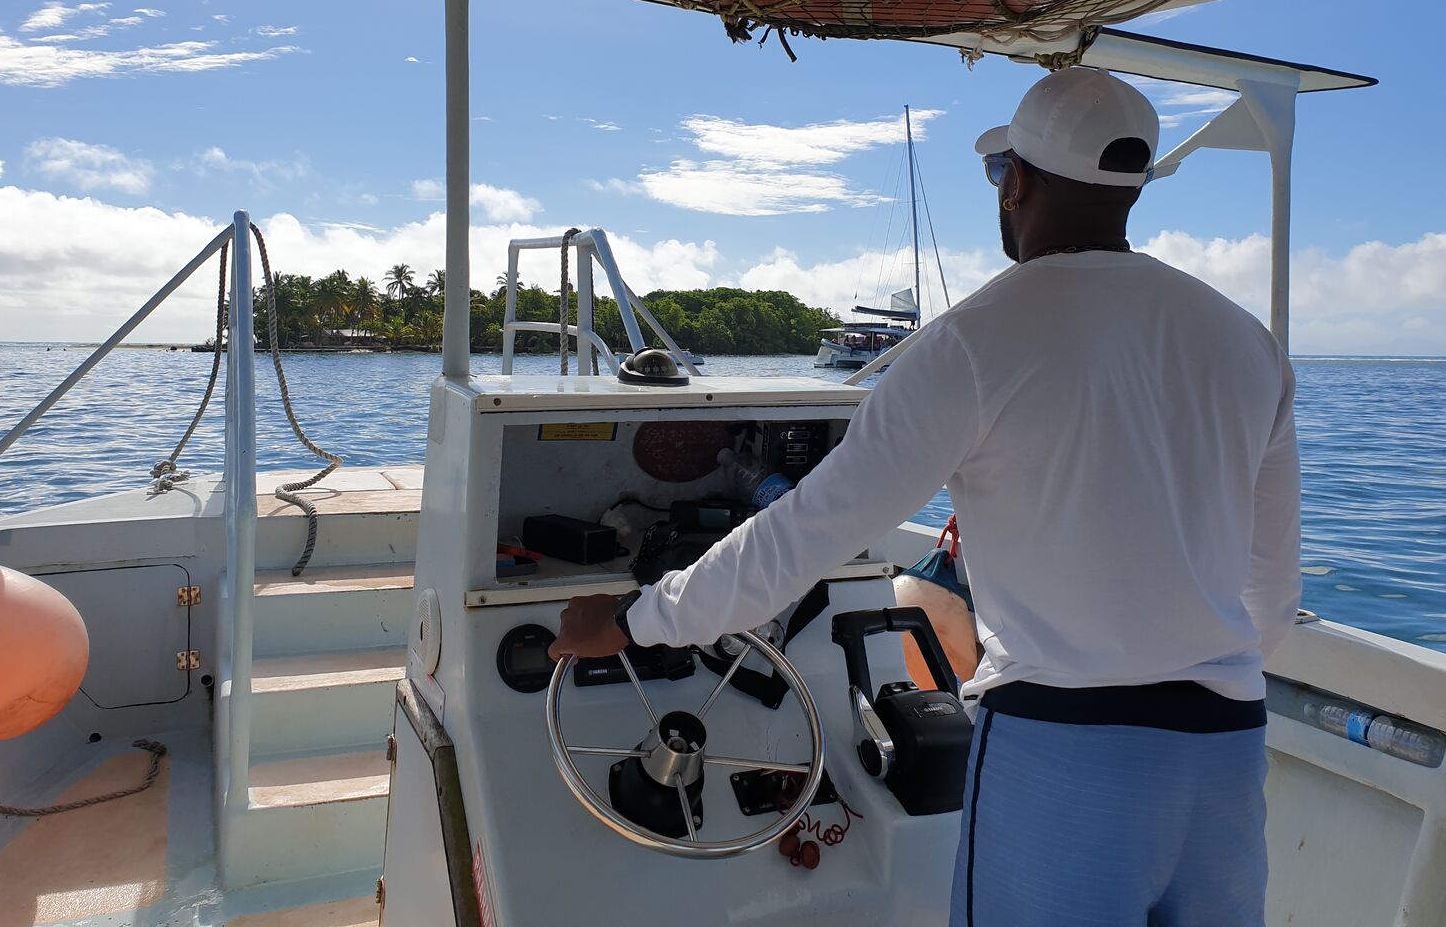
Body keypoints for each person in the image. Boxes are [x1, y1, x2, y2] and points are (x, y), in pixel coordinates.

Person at [551, 67, 1301, 926]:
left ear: (1016, 180)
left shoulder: (973, 343)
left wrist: (637, 618)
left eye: (998, 177)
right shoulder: (1247, 343)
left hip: (1064, 756)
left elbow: (804, 536)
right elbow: (1270, 600)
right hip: (1228, 755)